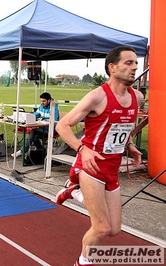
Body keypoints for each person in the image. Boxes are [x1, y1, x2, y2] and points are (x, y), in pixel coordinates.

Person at [54, 46, 144, 266]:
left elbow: (126, 124)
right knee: (101, 227)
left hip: (112, 169)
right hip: (90, 167)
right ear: (112, 68)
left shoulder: (138, 97)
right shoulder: (97, 97)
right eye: (128, 63)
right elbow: (62, 126)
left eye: (135, 63)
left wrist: (130, 144)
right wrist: (81, 149)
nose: (134, 68)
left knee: (114, 230)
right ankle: (82, 263)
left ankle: (73, 191)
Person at [12, 92, 60, 158]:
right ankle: (40, 149)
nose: (42, 102)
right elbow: (35, 115)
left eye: (44, 101)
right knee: (34, 136)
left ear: (49, 100)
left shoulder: (54, 109)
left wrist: (42, 122)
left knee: (33, 131)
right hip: (42, 128)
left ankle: (23, 151)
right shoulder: (41, 107)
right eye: (41, 101)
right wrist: (28, 117)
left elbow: (54, 121)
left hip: (51, 130)